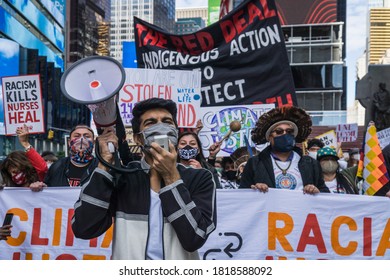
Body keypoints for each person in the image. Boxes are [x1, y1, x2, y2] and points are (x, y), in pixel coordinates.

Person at [71, 98, 217, 260]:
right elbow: (83, 228)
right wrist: (104, 165)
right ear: (139, 138)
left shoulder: (200, 177)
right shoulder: (123, 176)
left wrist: (171, 177)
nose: (161, 127)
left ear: (176, 131)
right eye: (151, 123)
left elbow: (194, 238)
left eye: (167, 122)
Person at [240, 106, 329, 194]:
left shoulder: (311, 164)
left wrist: (316, 191)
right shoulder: (255, 163)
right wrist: (253, 190)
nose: (285, 134)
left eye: (289, 131)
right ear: (269, 137)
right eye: (279, 131)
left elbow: (325, 194)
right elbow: (242, 194)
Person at [0, 125, 47, 191]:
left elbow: (42, 168)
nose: (13, 176)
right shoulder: (9, 188)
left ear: (24, 167)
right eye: (11, 173)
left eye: (15, 171)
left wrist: (25, 143)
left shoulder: (38, 182)